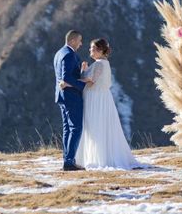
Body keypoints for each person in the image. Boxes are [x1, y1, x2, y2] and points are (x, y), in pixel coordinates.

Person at [59, 37, 142, 170]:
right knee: (100, 127)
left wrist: (67, 82)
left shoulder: (99, 64)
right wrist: (84, 69)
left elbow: (91, 81)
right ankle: (100, 156)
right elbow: (90, 78)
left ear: (99, 50)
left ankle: (96, 157)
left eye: (92, 48)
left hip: (95, 99)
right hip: (101, 98)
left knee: (94, 127)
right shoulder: (103, 63)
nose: (90, 50)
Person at [53, 30, 94, 171]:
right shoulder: (70, 55)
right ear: (72, 41)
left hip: (62, 96)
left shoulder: (59, 53)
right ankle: (69, 162)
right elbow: (66, 78)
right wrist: (84, 84)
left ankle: (67, 158)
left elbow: (66, 77)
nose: (81, 44)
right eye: (79, 41)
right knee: (76, 128)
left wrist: (81, 71)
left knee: (67, 129)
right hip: (71, 96)